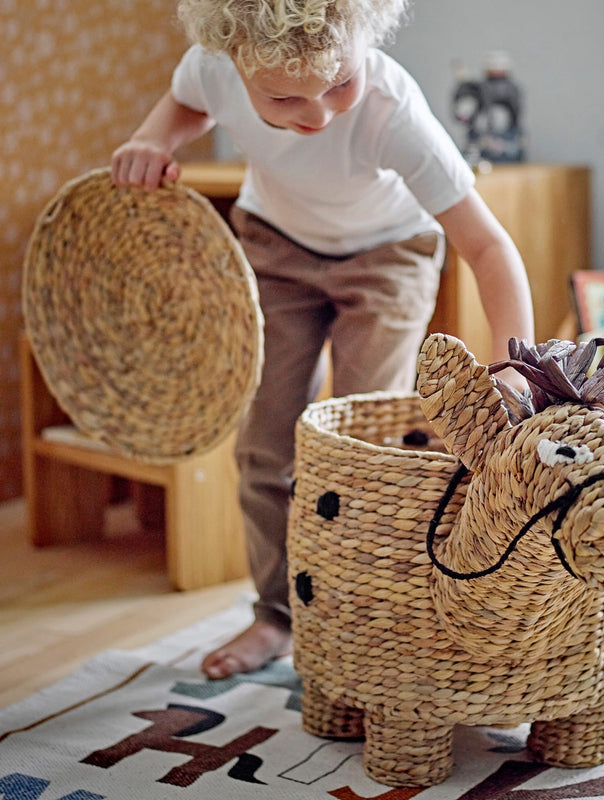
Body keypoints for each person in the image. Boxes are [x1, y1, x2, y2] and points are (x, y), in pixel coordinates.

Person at [111, 0, 535, 680]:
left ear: (365, 41)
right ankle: (276, 616)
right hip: (277, 252)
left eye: (339, 83)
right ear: (234, 64)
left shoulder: (394, 113)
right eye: (282, 96)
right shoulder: (214, 69)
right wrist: (153, 140)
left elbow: (489, 247)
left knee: (365, 450)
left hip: (388, 257)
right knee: (264, 447)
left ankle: (363, 610)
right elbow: (185, 103)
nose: (317, 115)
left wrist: (518, 368)